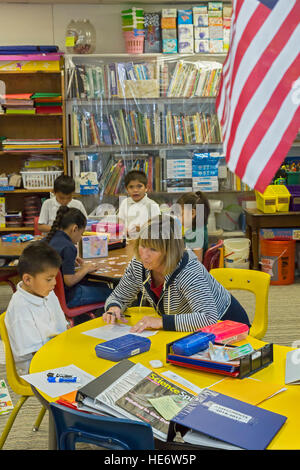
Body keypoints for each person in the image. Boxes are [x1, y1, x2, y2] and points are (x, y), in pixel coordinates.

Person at [102, 214, 250, 333]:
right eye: (143, 246)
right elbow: (119, 296)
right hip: (192, 328)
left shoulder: (188, 271)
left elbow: (208, 318)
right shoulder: (139, 264)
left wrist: (161, 322)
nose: (144, 255)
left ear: (169, 252)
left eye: (153, 249)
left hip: (229, 326)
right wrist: (114, 307)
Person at [5, 241, 69, 374]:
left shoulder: (47, 292)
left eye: (54, 277)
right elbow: (35, 352)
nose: (55, 283)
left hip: (55, 352)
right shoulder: (19, 308)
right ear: (27, 280)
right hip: (35, 365)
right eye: (49, 279)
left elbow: (63, 327)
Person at [46, 205, 112, 309]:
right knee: (113, 294)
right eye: (81, 233)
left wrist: (69, 262)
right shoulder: (69, 247)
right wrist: (85, 269)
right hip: (68, 297)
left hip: (51, 295)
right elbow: (69, 281)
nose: (80, 237)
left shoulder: (49, 238)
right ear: (75, 228)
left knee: (103, 286)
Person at [118, 170, 160, 238]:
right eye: (131, 187)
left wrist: (141, 229)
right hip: (127, 242)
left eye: (139, 186)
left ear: (146, 188)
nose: (135, 190)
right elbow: (121, 222)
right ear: (126, 189)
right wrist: (125, 232)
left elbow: (156, 229)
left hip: (145, 243)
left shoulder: (153, 206)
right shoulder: (124, 203)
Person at [177, 191, 210, 262]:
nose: (178, 217)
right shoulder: (199, 227)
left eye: (180, 214)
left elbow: (197, 262)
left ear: (192, 213)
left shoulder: (196, 234)